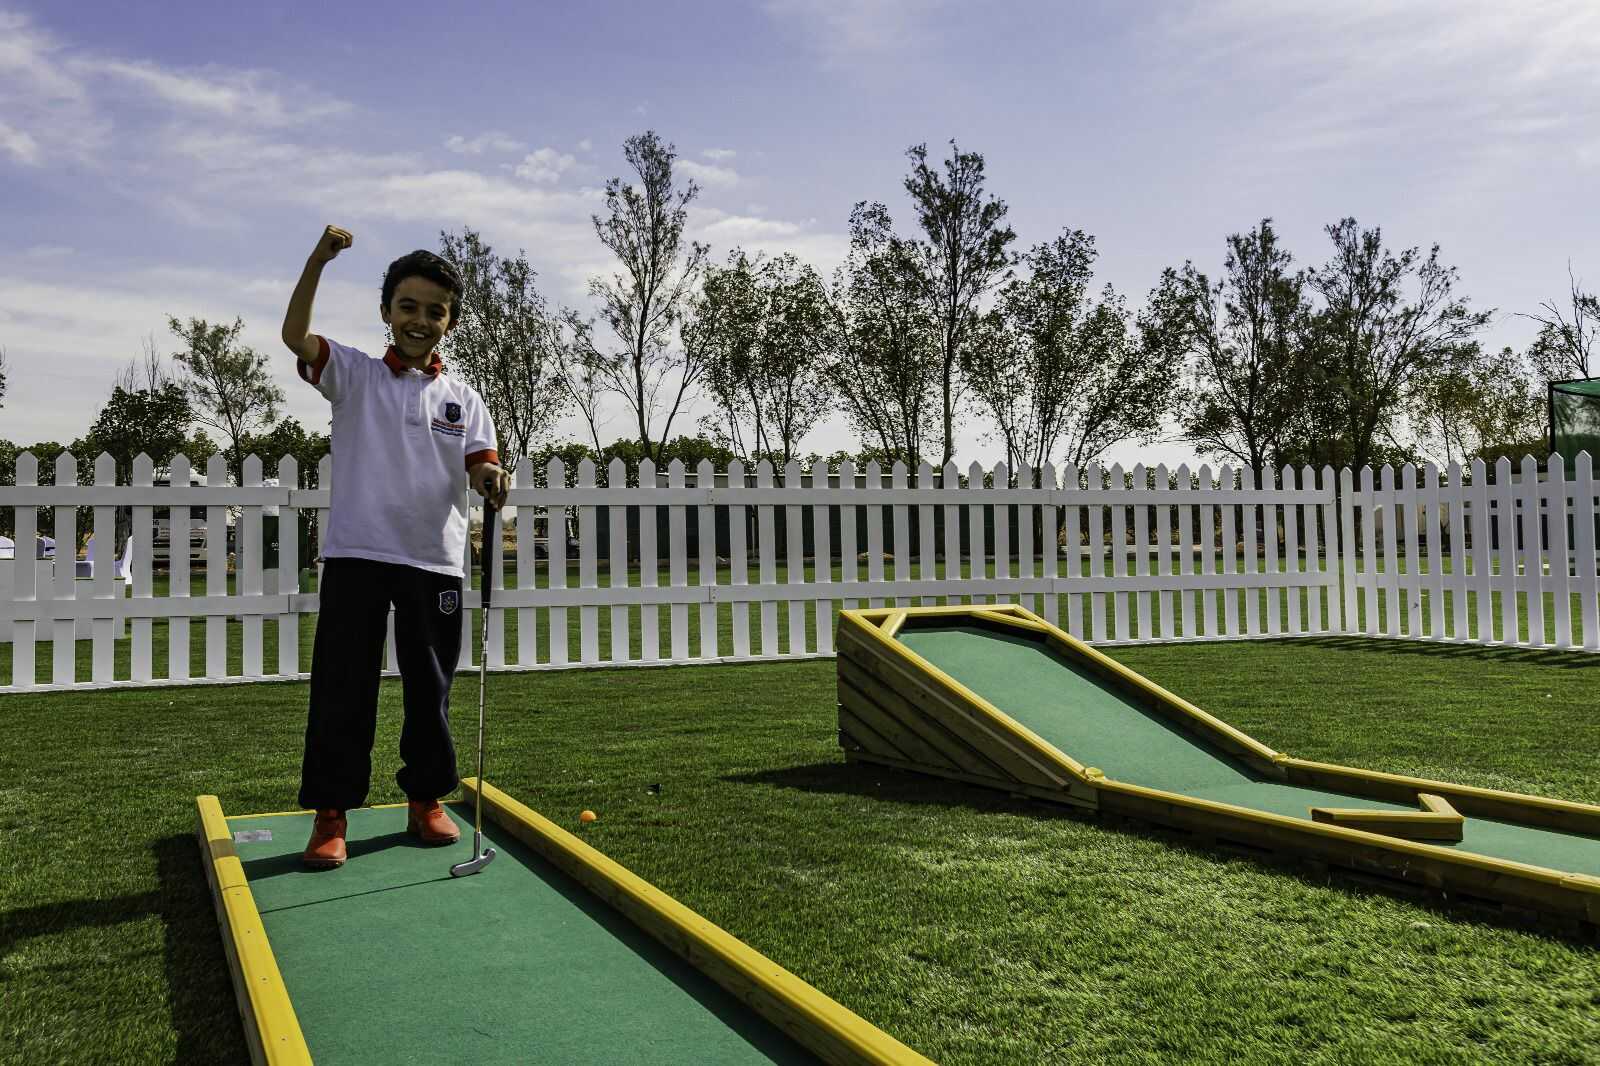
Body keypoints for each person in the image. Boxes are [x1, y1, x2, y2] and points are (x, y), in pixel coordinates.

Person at [282, 225, 508, 869]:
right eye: (407, 306)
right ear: (386, 311)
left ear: (450, 322)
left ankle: (426, 798)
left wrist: (491, 479)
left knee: (429, 690)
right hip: (357, 554)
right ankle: (331, 813)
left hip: (434, 560)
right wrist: (317, 260)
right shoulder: (353, 373)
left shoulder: (464, 399)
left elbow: (480, 465)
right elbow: (295, 335)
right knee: (342, 687)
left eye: (435, 311)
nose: (420, 320)